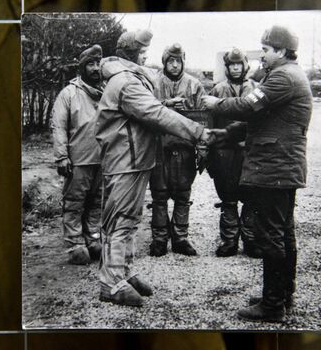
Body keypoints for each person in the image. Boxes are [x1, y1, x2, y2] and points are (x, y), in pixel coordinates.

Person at [95, 29, 216, 307]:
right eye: (143, 53)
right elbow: (155, 113)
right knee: (120, 221)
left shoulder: (128, 78)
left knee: (128, 219)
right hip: (126, 161)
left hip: (134, 159)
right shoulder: (126, 82)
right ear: (133, 54)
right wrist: (198, 132)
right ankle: (111, 283)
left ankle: (123, 271)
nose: (146, 58)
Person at [201, 25, 312, 322]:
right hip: (281, 167)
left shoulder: (283, 77)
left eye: (265, 50)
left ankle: (273, 305)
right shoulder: (288, 75)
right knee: (283, 233)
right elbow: (260, 120)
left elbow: (248, 106)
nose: (262, 55)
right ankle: (281, 295)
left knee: (271, 235)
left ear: (280, 50)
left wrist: (216, 103)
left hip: (274, 168)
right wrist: (223, 136)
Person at [149, 43, 206, 257]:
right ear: (164, 62)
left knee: (183, 195)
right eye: (170, 61)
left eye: (178, 61)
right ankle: (159, 239)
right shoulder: (152, 84)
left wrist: (202, 151)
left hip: (184, 149)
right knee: (159, 195)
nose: (174, 65)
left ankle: (180, 238)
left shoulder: (194, 85)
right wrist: (165, 105)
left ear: (183, 61)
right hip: (159, 148)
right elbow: (144, 111)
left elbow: (203, 119)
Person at [51, 45, 104, 265]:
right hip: (78, 160)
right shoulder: (69, 93)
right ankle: (74, 244)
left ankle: (92, 239)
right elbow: (58, 126)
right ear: (82, 68)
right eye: (90, 64)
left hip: (103, 159)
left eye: (98, 64)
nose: (95, 68)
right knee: (74, 202)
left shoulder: (107, 92)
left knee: (97, 202)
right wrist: (62, 156)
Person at [207, 48, 262, 258]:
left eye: (239, 64)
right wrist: (208, 150)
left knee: (251, 199)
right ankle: (229, 241)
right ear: (227, 67)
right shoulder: (217, 90)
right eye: (232, 65)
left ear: (245, 65)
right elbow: (210, 121)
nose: (236, 68)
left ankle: (250, 240)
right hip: (224, 153)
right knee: (228, 198)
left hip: (250, 152)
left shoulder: (256, 89)